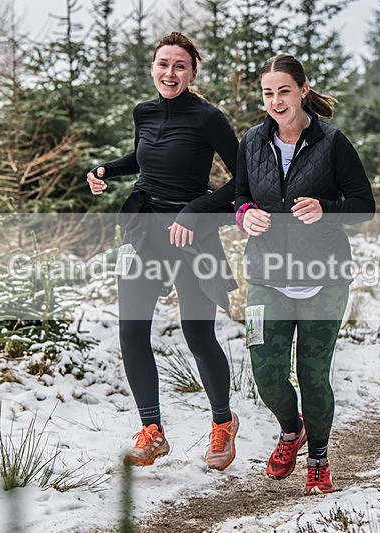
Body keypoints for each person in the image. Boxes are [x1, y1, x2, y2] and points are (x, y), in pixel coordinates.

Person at [86, 32, 239, 470]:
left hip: (191, 235)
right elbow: (142, 158)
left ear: (192, 73)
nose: (169, 73)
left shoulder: (209, 118)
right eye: (162, 64)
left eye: (179, 66)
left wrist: (195, 210)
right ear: (152, 68)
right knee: (132, 332)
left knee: (197, 334)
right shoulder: (144, 112)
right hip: (144, 231)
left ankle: (223, 425)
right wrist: (105, 170)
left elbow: (241, 179)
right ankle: (151, 431)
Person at [235, 54, 375, 495]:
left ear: (303, 90)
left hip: (324, 280)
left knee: (313, 375)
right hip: (266, 275)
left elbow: (364, 206)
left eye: (284, 91)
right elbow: (238, 196)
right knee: (266, 373)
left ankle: (318, 457)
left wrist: (326, 209)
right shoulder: (252, 143)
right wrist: (244, 216)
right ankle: (290, 428)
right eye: (268, 93)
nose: (276, 101)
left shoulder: (333, 143)